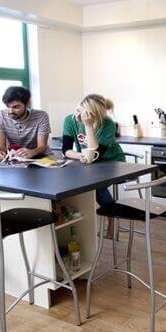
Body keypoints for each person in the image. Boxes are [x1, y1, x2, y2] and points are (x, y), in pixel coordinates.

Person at [62, 94, 125, 238]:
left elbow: (95, 153)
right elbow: (66, 150)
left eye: (83, 113)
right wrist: (79, 155)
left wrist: (88, 125)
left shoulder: (108, 124)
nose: (78, 115)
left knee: (96, 185)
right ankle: (80, 224)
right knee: (81, 183)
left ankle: (111, 220)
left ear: (94, 114)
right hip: (89, 163)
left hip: (113, 162)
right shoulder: (69, 120)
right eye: (78, 110)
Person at [0, 86, 51, 161]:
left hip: (39, 157)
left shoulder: (41, 116)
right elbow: (0, 146)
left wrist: (33, 152)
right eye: (8, 106)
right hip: (15, 158)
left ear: (27, 103)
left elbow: (42, 146)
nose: (10, 111)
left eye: (16, 107)